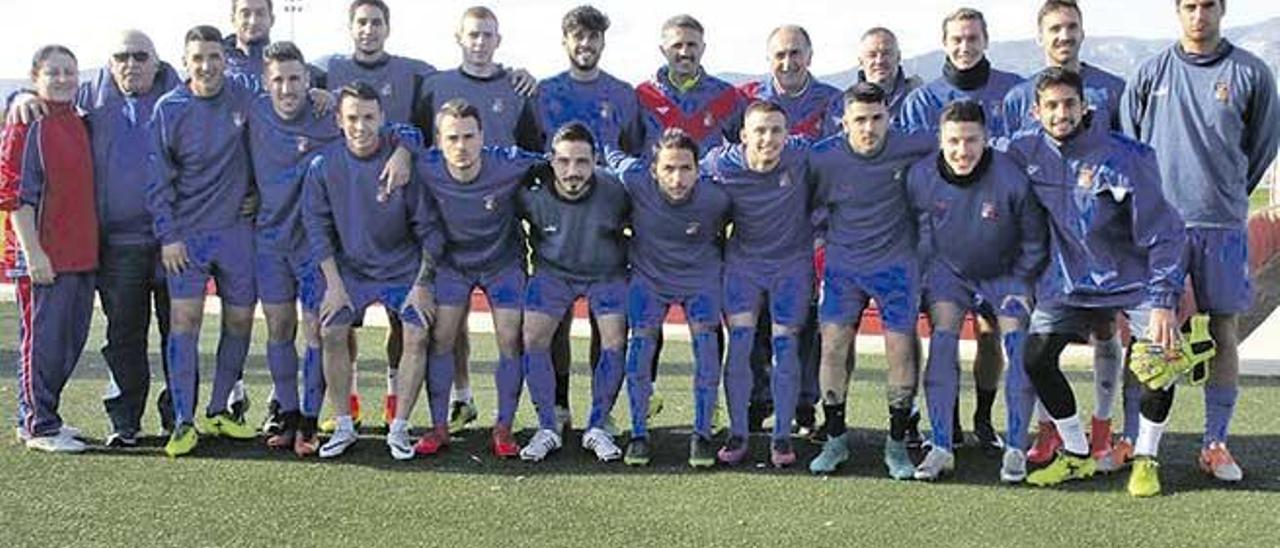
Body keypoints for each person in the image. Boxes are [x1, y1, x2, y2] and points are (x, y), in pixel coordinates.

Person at [1004, 67, 1187, 488]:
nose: (1061, 113)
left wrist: (1163, 300)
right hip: (1068, 280)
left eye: (1069, 103)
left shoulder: (1130, 157)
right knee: (1035, 357)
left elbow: (1165, 233)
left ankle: (1146, 456)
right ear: (1036, 112)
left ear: (1085, 105)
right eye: (1051, 105)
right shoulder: (1023, 150)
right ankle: (1075, 452)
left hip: (1135, 280)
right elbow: (973, 155)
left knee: (1158, 360)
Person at [1120, 0, 1279, 484]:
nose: (1199, 15)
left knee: (1225, 328)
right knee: (1148, 337)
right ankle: (1133, 438)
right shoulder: (1150, 73)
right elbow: (1131, 145)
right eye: (1189, 5)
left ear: (1222, 9)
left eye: (1208, 5)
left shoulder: (1251, 73)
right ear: (1177, 11)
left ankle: (1215, 443)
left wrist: (1228, 194)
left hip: (1222, 227)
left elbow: (1262, 146)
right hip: (1160, 228)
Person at [6, 30, 182, 446]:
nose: (131, 64)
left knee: (178, 334)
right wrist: (17, 98)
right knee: (119, 337)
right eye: (122, 56)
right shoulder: (87, 99)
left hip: (172, 244)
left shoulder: (180, 95)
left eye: (141, 56)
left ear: (157, 62)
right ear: (109, 63)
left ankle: (180, 417)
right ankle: (120, 422)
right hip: (113, 247)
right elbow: (16, 184)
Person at [1002, 0, 1134, 471]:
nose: (1063, 35)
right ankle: (1050, 429)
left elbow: (1131, 161)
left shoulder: (1113, 90)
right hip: (1042, 243)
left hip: (1099, 241)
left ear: (1083, 31)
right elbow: (1006, 166)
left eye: (1071, 27)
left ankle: (1102, 426)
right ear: (1040, 37)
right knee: (1041, 333)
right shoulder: (1020, 97)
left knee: (1104, 328)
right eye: (1054, 28)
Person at [899, 7, 1025, 451]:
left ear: (985, 39)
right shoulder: (921, 101)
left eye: (972, 38)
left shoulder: (1015, 92)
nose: (964, 46)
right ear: (944, 42)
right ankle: (943, 423)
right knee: (943, 332)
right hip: (942, 244)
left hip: (997, 240)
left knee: (994, 334)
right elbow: (913, 175)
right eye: (956, 39)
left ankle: (985, 417)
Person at [905, 100, 1046, 482]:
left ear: (986, 139)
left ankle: (1016, 447)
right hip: (949, 272)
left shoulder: (1010, 176)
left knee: (1017, 341)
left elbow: (1034, 235)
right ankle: (940, 447)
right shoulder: (920, 177)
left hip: (1005, 273)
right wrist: (923, 278)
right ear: (940, 140)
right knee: (944, 336)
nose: (962, 150)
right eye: (953, 141)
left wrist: (1023, 279)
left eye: (971, 140)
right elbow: (918, 235)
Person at [303, 81, 443, 460]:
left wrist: (422, 284)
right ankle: (344, 424)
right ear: (338, 120)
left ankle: (399, 428)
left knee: (416, 331)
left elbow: (430, 231)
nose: (361, 126)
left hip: (402, 270)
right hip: (353, 271)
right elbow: (318, 230)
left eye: (368, 117)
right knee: (330, 328)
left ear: (382, 118)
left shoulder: (402, 164)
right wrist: (333, 285)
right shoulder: (323, 166)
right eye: (352, 118)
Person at [147, 25, 263, 457]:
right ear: (185, 61)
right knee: (184, 325)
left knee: (239, 322)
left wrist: (324, 95)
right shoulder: (170, 108)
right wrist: (169, 235)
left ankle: (219, 409)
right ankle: (183, 420)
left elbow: (290, 104)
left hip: (237, 233)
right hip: (187, 240)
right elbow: (157, 179)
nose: (206, 65)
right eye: (197, 58)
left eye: (214, 57)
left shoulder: (245, 96)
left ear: (225, 58)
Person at [806, 83, 932, 479]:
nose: (869, 127)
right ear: (844, 122)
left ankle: (896, 446)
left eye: (877, 118)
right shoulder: (822, 158)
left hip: (897, 265)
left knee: (900, 349)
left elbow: (959, 146)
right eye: (860, 119)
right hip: (844, 266)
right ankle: (835, 440)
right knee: (832, 346)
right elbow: (805, 200)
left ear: (888, 117)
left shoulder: (913, 145)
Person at [416, 99, 551, 459]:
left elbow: (558, 162)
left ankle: (503, 426)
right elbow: (392, 142)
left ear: (482, 137)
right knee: (441, 336)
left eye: (469, 136)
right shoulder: (425, 166)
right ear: (439, 141)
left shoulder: (508, 162)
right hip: (452, 264)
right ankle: (438, 425)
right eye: (452, 138)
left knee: (511, 338)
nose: (461, 146)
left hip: (502, 264)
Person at [533, 5, 643, 432]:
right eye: (577, 36)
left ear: (602, 42)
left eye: (593, 37)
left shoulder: (622, 93)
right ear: (565, 41)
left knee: (608, 321)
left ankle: (604, 410)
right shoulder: (542, 91)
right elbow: (532, 151)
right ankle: (559, 406)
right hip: (557, 221)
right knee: (555, 319)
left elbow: (631, 151)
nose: (585, 44)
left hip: (607, 221)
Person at [735, 25, 841, 436]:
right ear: (769, 57)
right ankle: (760, 399)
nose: (788, 62)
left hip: (810, 233)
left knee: (804, 325)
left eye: (795, 53)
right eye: (780, 54)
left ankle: (804, 403)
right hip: (756, 233)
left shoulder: (831, 100)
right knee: (758, 322)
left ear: (809, 56)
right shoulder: (745, 97)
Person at [604, 128, 730, 468]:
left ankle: (702, 434)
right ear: (653, 170)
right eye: (669, 169)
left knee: (706, 353)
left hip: (701, 280)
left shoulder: (717, 197)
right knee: (639, 350)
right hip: (649, 280)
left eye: (686, 169)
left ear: (698, 169)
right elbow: (609, 152)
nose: (677, 178)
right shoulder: (634, 179)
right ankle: (639, 433)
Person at [704, 101, 814, 465]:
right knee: (740, 342)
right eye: (760, 131)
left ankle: (781, 437)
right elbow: (681, 181)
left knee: (786, 344)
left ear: (788, 134)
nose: (768, 138)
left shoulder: (802, 155)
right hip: (743, 266)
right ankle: (739, 433)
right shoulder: (721, 163)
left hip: (791, 266)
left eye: (776, 130)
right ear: (743, 135)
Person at [0, 45, 96, 453]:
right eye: (53, 73)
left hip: (81, 254)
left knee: (69, 342)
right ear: (35, 77)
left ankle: (45, 414)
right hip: (44, 257)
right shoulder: (27, 122)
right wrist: (33, 253)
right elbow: (13, 193)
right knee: (42, 343)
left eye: (69, 72)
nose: (62, 79)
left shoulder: (78, 119)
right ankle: (37, 425)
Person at [516, 122, 630, 462]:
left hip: (606, 274)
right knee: (533, 336)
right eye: (564, 161)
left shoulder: (617, 190)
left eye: (582, 162)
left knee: (614, 339)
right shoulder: (529, 192)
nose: (572, 171)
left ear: (595, 161)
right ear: (551, 160)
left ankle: (597, 426)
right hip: (553, 273)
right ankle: (548, 426)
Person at [637, 14, 747, 153]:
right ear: (663, 50)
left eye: (692, 45)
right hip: (656, 174)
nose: (684, 52)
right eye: (677, 45)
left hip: (708, 174)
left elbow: (746, 147)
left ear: (703, 48)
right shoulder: (642, 96)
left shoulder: (725, 95)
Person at [855, 27, 923, 125]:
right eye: (872, 55)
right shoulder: (848, 105)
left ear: (898, 57)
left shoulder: (919, 100)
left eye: (886, 54)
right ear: (861, 61)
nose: (879, 61)